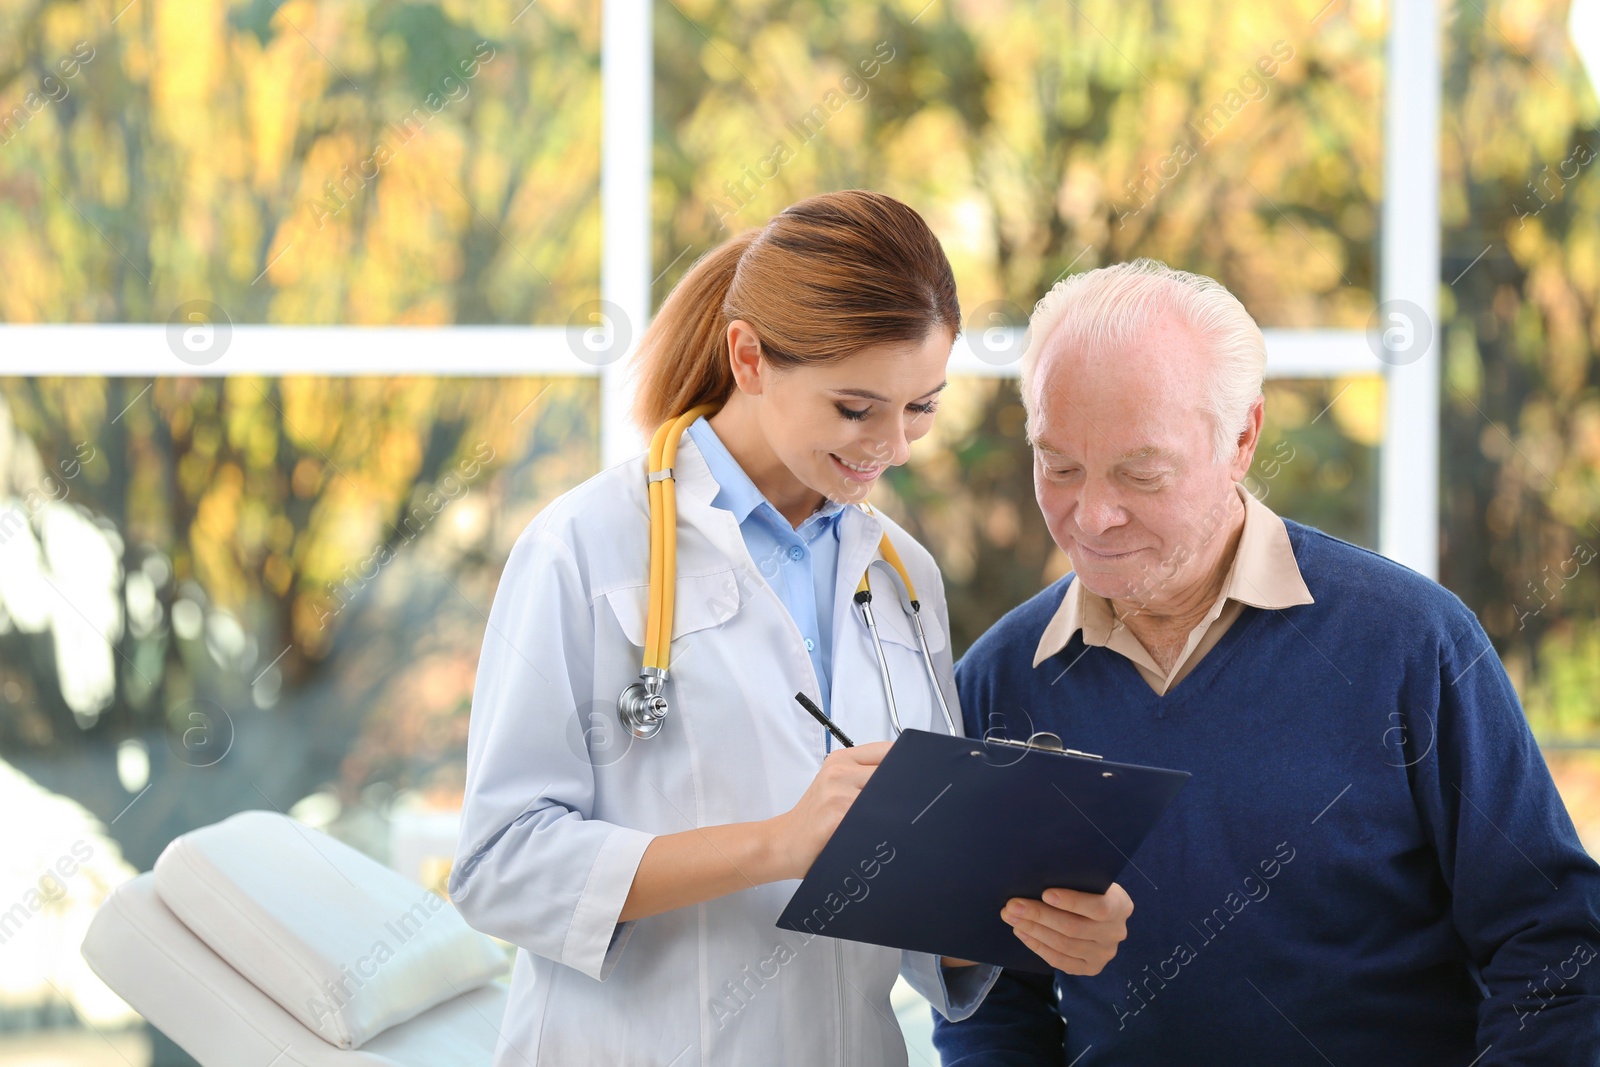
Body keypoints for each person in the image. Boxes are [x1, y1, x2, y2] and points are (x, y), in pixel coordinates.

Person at [446, 190, 1132, 1066]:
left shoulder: (903, 574)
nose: (895, 446)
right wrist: (774, 844)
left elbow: (913, 901)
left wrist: (1035, 919)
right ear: (749, 356)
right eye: (856, 408)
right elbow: (499, 865)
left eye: (922, 406)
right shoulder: (586, 548)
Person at [933, 259, 1600, 1064]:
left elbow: (1557, 947)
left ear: (1242, 438)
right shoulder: (1001, 680)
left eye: (1142, 472)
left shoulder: (1412, 643)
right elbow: (990, 1006)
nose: (1094, 515)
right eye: (1060, 466)